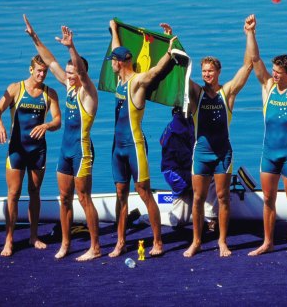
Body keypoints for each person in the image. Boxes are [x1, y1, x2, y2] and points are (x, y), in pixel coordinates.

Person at [165, 17, 252, 258]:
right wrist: (172, 44)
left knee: (223, 197)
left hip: (223, 154)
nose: (206, 75)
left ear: (218, 72)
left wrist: (249, 34)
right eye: (204, 71)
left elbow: (247, 67)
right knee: (198, 198)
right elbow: (182, 71)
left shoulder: (228, 94)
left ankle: (223, 241)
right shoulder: (196, 94)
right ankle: (196, 241)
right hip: (201, 155)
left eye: (210, 71)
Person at [23, 15, 100, 261]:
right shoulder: (68, 87)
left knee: (84, 198)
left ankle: (95, 246)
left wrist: (71, 47)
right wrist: (35, 38)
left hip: (82, 151)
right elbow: (51, 61)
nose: (67, 75)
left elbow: (81, 72)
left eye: (72, 73)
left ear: (81, 74)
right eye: (67, 73)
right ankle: (65, 243)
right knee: (64, 198)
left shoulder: (88, 92)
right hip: (65, 151)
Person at [107, 19, 178, 258]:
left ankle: (158, 242)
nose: (111, 65)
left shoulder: (137, 82)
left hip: (135, 145)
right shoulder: (119, 80)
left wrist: (170, 47)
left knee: (143, 191)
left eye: (113, 62)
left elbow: (157, 70)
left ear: (121, 63)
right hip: (117, 147)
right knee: (120, 193)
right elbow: (116, 47)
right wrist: (114, 30)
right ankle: (120, 242)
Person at [246, 15, 287, 258]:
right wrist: (251, 33)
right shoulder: (267, 87)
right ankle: (268, 242)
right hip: (268, 154)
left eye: (278, 72)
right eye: (273, 71)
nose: (274, 75)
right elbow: (255, 60)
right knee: (268, 200)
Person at [0, 36, 61, 257]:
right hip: (17, 150)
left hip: (38, 151)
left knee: (34, 193)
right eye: (38, 71)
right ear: (30, 69)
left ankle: (33, 236)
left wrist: (48, 125)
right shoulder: (15, 88)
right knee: (13, 194)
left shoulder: (50, 93)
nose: (41, 75)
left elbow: (58, 120)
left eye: (44, 72)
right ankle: (9, 240)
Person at [159, 106, 218, 228]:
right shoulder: (177, 130)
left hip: (181, 171)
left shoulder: (187, 123)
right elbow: (187, 157)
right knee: (210, 177)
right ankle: (209, 216)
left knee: (179, 219)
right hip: (177, 175)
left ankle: (200, 206)